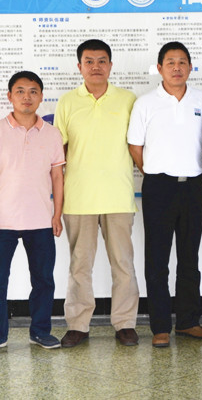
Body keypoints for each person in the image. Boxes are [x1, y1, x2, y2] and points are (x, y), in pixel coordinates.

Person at [54, 39, 140, 347]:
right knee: (80, 266)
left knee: (123, 264)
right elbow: (59, 151)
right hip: (79, 198)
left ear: (111, 65)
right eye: (89, 61)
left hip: (118, 195)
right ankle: (78, 325)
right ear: (79, 67)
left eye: (102, 61)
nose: (96, 67)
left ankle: (125, 323)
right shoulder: (67, 102)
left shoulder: (128, 99)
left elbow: (138, 144)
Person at [0, 71, 65, 354]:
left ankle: (41, 332)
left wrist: (56, 215)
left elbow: (58, 177)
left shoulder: (52, 133)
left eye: (33, 91)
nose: (27, 97)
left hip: (41, 220)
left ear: (41, 96)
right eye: (20, 91)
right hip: (2, 220)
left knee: (44, 280)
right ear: (10, 96)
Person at [127, 42, 202, 348]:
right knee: (157, 258)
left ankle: (189, 321)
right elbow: (135, 146)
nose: (177, 67)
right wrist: (154, 172)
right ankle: (160, 326)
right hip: (159, 187)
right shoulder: (145, 103)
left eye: (182, 62)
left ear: (190, 67)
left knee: (190, 256)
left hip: (193, 186)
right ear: (160, 68)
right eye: (171, 62)